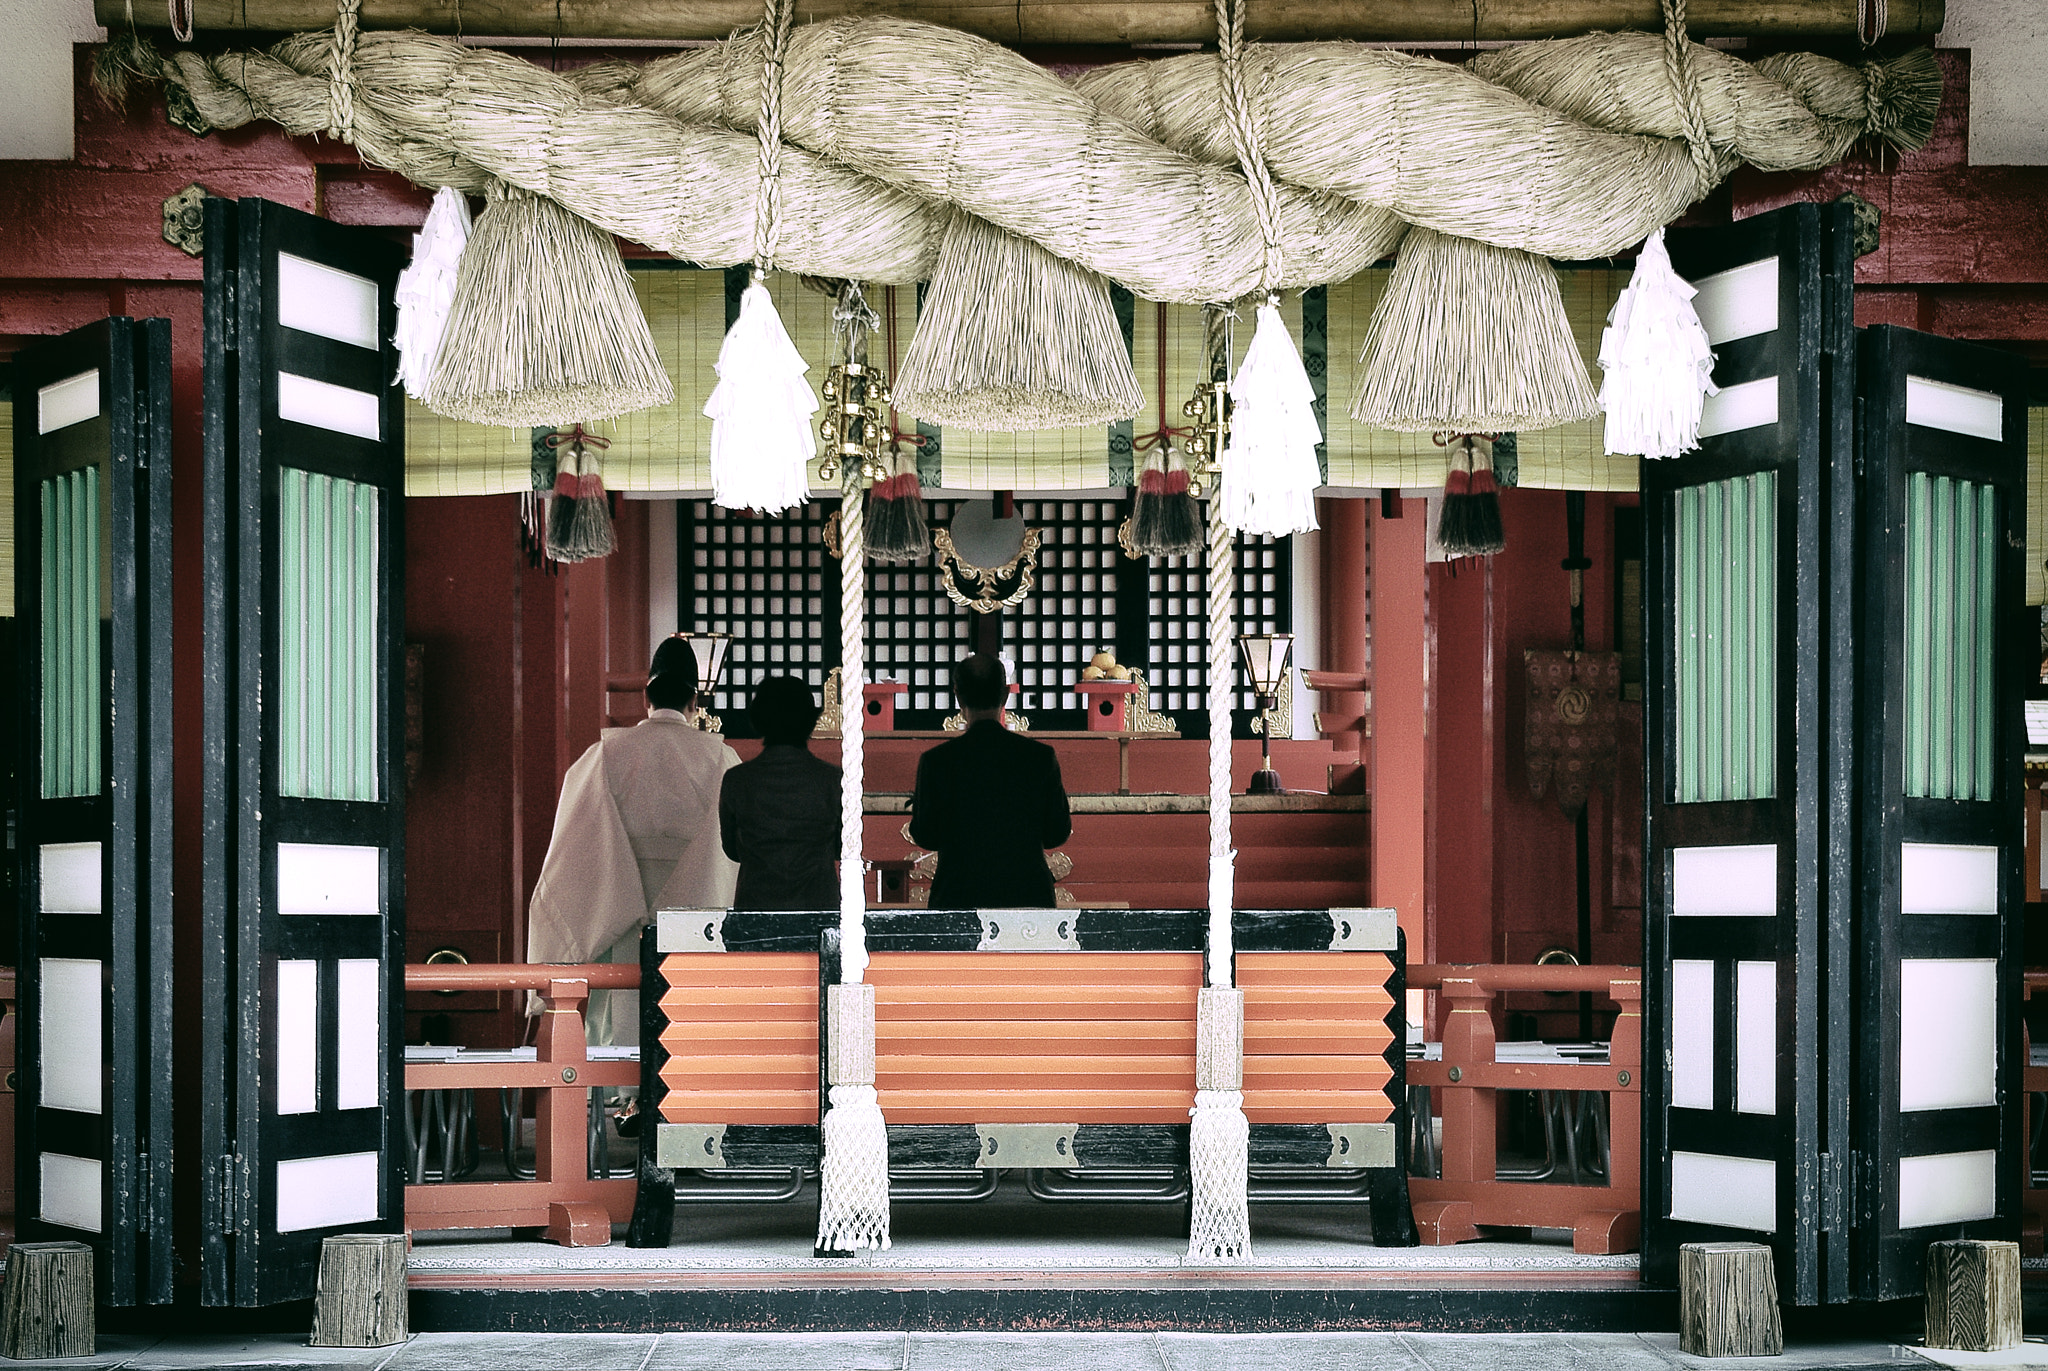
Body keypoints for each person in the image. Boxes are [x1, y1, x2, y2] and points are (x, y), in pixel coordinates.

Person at [526, 636, 739, 1047]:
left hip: (620, 903)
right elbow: (730, 841)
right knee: (688, 1027)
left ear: (647, 697)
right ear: (694, 702)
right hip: (699, 902)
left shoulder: (606, 753)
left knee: (620, 1027)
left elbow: (577, 836)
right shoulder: (720, 757)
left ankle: (620, 1103)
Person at [909, 654, 1072, 908]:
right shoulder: (1039, 758)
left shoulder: (937, 762)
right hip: (1027, 896)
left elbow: (925, 835)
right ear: (1006, 695)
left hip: (957, 894)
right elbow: (1056, 833)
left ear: (958, 696)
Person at [719, 676, 841, 911]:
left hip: (757, 902)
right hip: (817, 903)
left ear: (758, 719)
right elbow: (842, 846)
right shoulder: (831, 779)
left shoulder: (738, 780)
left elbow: (732, 850)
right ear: (810, 720)